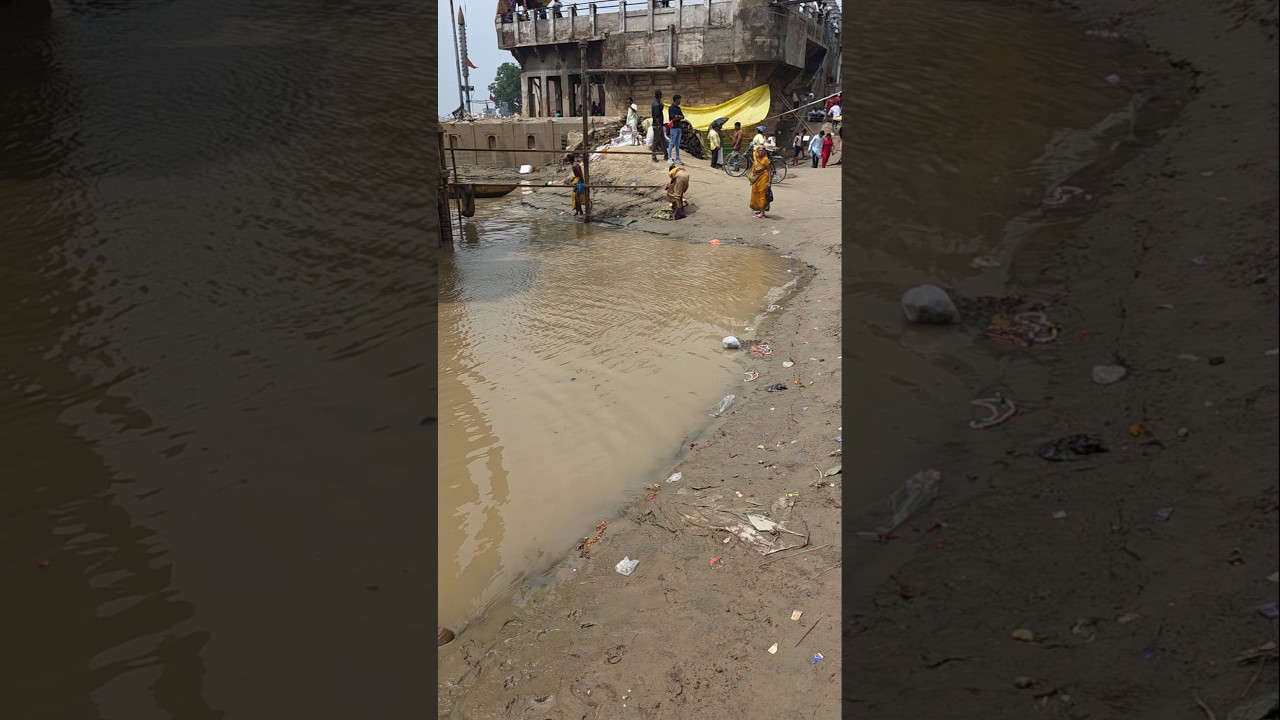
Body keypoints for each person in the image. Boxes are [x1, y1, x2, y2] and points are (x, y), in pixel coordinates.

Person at [747, 145, 772, 219]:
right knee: (756, 193)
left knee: (762, 195)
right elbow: (753, 154)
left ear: (765, 151)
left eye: (762, 150)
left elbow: (770, 171)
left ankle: (762, 213)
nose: (761, 152)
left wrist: (769, 182)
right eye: (759, 150)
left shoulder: (766, 160)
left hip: (764, 178)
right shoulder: (756, 158)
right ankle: (759, 209)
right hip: (756, 178)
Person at [667, 94, 685, 164]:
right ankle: (669, 157)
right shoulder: (671, 108)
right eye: (679, 99)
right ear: (676, 100)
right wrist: (677, 117)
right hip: (673, 128)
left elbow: (682, 116)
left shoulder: (678, 108)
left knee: (677, 144)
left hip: (679, 127)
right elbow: (673, 118)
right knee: (672, 142)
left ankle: (677, 158)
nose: (680, 101)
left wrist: (677, 117)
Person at [650, 90, 666, 162]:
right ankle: (653, 156)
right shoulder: (656, 104)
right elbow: (656, 116)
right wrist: (659, 125)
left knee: (663, 139)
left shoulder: (656, 103)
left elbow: (659, 112)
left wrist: (662, 107)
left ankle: (666, 155)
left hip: (659, 125)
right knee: (655, 141)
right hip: (657, 125)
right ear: (660, 95)